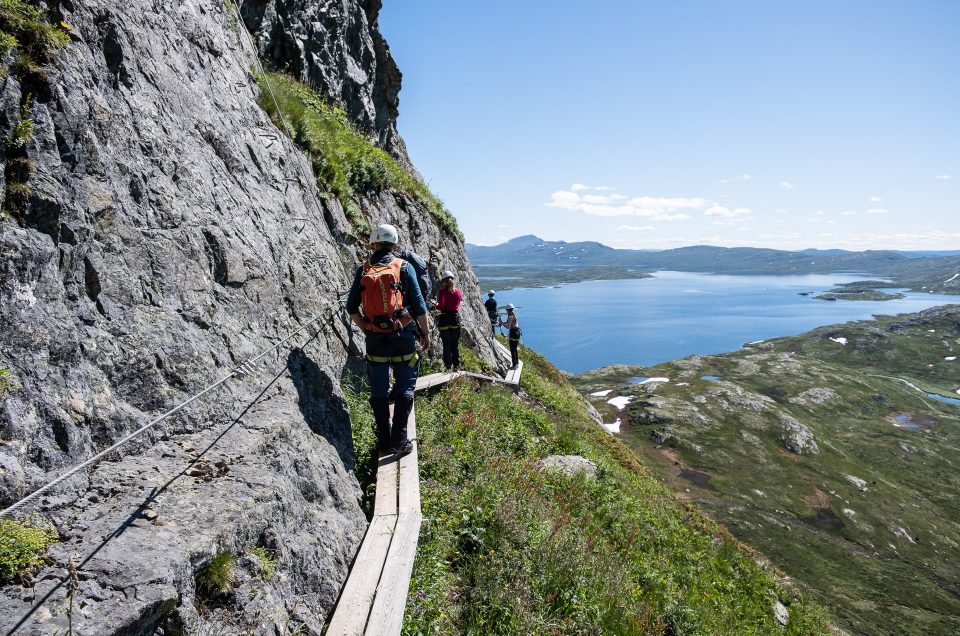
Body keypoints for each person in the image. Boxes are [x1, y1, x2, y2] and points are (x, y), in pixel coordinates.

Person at [346, 224, 430, 456]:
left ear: (373, 243)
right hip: (401, 336)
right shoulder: (403, 267)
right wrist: (425, 334)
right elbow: (419, 306)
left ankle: (384, 440)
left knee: (379, 390)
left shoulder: (363, 269)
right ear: (394, 244)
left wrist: (366, 327)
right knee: (405, 385)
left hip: (375, 339)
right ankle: (399, 440)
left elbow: (351, 307)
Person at [436, 270, 463, 370]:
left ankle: (448, 366)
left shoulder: (442, 292)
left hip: (445, 319)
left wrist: (436, 306)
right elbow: (457, 305)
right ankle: (456, 365)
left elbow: (441, 306)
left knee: (446, 344)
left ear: (444, 281)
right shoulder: (458, 292)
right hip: (455, 319)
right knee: (454, 344)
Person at [499, 304, 521, 368]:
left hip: (513, 333)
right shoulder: (513, 315)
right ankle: (516, 363)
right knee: (515, 349)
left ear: (507, 310)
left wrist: (501, 323)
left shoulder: (510, 316)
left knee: (512, 349)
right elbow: (508, 322)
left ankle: (514, 365)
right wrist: (502, 322)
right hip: (517, 333)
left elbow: (508, 327)